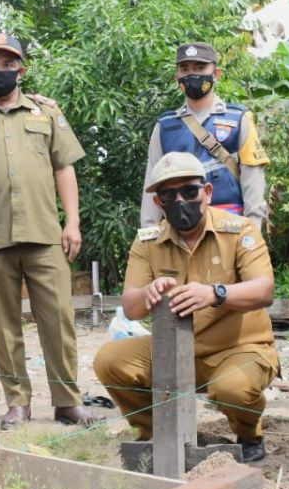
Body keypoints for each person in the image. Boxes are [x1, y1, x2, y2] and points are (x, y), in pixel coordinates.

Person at [0, 32, 98, 428]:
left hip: (45, 234)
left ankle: (67, 401)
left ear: (21, 69)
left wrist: (73, 221)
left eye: (7, 64)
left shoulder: (46, 113)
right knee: (3, 324)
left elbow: (65, 167)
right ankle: (18, 402)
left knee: (59, 320)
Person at [97, 152, 279, 463]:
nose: (180, 200)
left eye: (189, 191)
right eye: (168, 194)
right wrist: (149, 293)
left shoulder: (240, 231)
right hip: (175, 351)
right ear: (158, 203)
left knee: (233, 388)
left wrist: (215, 293)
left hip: (238, 348)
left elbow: (264, 291)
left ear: (207, 193)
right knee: (110, 360)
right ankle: (157, 434)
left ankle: (249, 436)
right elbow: (130, 306)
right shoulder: (147, 243)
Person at [140, 41, 269, 230]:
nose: (192, 74)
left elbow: (253, 183)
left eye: (200, 67)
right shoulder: (165, 127)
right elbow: (152, 185)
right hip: (180, 231)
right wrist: (149, 232)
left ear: (216, 74)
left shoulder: (239, 119)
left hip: (229, 228)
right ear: (177, 77)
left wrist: (252, 235)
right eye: (185, 69)